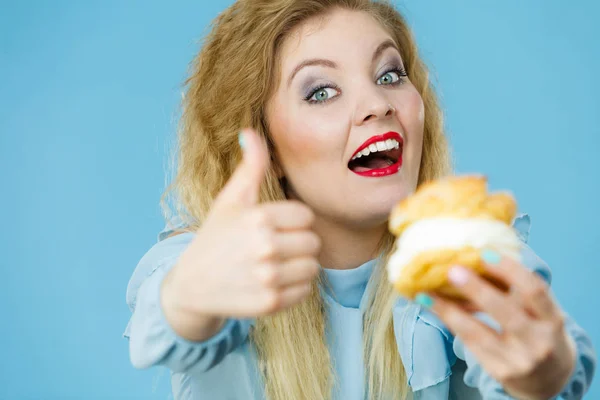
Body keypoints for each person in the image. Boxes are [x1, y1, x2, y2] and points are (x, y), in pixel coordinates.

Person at [123, 0, 596, 399]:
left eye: (390, 75)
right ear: (265, 145)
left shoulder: (466, 253)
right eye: (321, 92)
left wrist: (543, 374)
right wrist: (188, 299)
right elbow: (160, 326)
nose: (378, 103)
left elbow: (553, 361)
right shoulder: (216, 263)